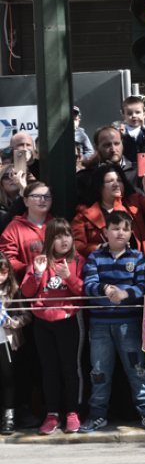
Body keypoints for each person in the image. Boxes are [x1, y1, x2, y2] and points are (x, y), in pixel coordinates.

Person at [79, 211, 145, 432]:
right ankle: (97, 414)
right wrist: (105, 288)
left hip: (129, 325)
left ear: (131, 232)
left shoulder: (138, 257)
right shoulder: (95, 257)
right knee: (99, 371)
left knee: (137, 369)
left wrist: (125, 293)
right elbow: (88, 286)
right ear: (105, 232)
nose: (120, 233)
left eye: (125, 229)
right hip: (100, 326)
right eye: (115, 228)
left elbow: (143, 286)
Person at [20, 218, 85, 435]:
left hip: (68, 320)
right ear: (49, 240)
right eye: (58, 236)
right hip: (43, 322)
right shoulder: (40, 261)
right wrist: (38, 273)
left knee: (71, 368)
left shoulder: (78, 260)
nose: (64, 240)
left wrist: (69, 277)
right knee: (49, 369)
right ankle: (52, 413)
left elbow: (84, 292)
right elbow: (27, 292)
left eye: (67, 235)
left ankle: (73, 412)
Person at [72, 163, 145, 259]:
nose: (116, 184)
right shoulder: (84, 214)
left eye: (119, 180)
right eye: (110, 181)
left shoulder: (135, 201)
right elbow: (76, 244)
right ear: (99, 187)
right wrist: (100, 247)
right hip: (104, 267)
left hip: (142, 264)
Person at [0, 252, 32, 435]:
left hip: (8, 341)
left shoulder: (14, 290)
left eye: (3, 271)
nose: (0, 275)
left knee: (9, 378)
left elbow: (27, 316)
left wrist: (11, 322)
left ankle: (9, 416)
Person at [0, 181, 55, 281]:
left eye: (47, 196)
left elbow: (71, 254)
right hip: (25, 284)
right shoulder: (14, 228)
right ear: (25, 201)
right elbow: (6, 258)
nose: (42, 200)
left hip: (56, 284)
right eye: (36, 196)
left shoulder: (57, 225)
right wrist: (27, 269)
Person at [120, 95, 145, 165]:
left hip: (144, 163)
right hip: (128, 165)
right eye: (129, 114)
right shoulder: (124, 131)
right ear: (124, 117)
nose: (134, 116)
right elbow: (122, 148)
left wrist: (144, 127)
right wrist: (123, 136)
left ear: (144, 115)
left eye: (137, 112)